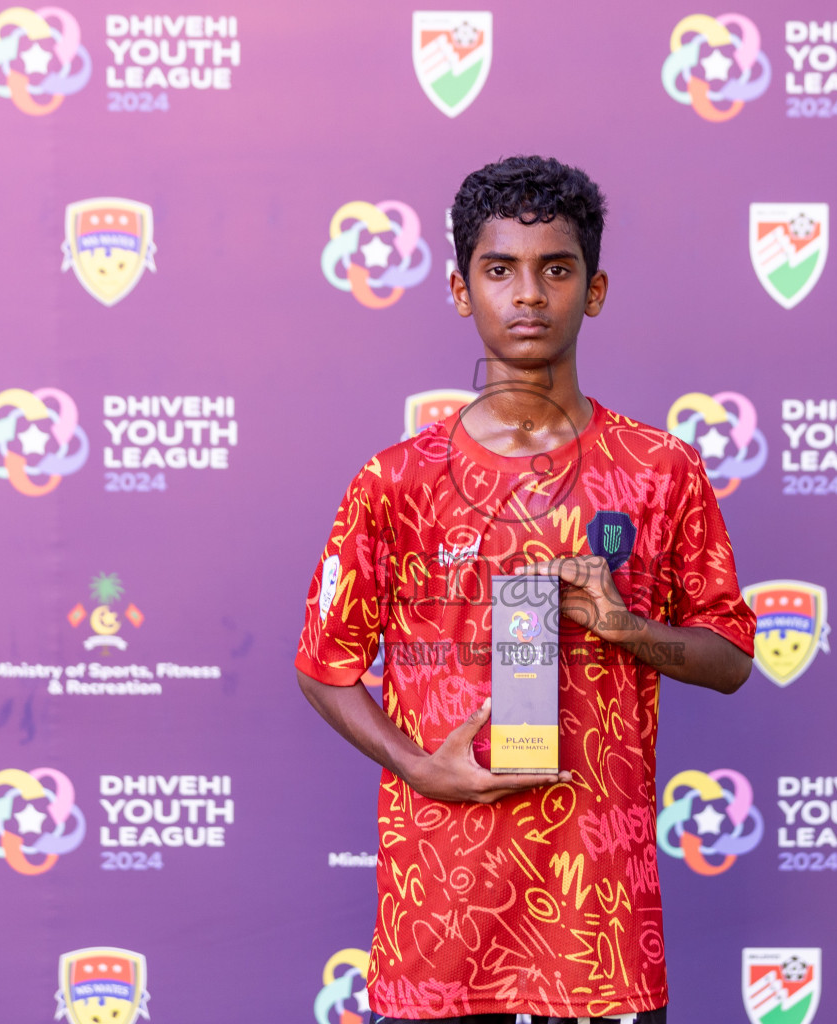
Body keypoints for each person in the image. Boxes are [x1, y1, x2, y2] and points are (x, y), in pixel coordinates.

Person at [296, 155, 756, 1024]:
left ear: (597, 288)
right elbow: (323, 664)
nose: (530, 295)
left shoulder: (661, 469)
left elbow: (732, 658)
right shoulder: (396, 480)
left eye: (556, 268)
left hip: (600, 933)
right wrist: (414, 762)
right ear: (463, 291)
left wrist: (625, 628)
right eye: (500, 269)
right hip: (440, 929)